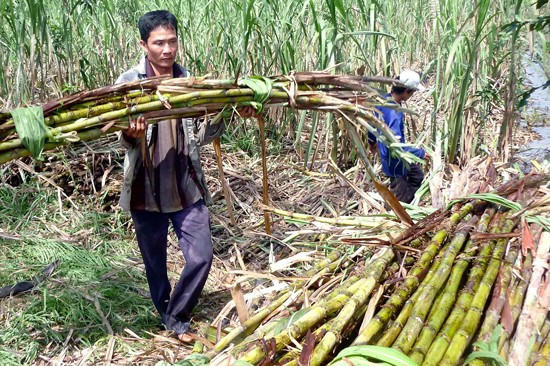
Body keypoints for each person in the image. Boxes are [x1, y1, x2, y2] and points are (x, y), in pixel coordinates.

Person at [115, 10, 254, 342]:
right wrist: (132, 135)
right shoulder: (128, 84)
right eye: (159, 43)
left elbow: (204, 133)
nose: (167, 50)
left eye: (172, 41)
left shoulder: (192, 82)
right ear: (144, 45)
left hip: (186, 186)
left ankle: (177, 314)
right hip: (145, 190)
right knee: (155, 265)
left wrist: (232, 110)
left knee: (201, 256)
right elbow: (115, 138)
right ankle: (169, 317)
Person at [368, 69, 428, 204]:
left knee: (417, 175)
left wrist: (371, 142)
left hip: (391, 157)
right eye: (412, 92)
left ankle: (409, 201)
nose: (412, 95)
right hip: (395, 161)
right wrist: (420, 153)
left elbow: (370, 122)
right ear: (407, 91)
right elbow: (397, 146)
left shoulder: (382, 100)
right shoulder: (394, 114)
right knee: (398, 198)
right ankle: (398, 214)